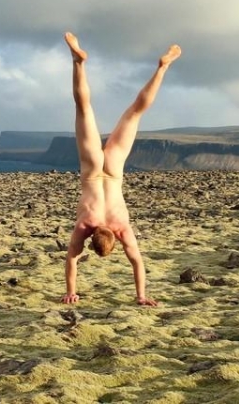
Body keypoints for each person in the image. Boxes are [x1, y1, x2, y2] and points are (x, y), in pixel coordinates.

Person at [61, 31, 181, 307]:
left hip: (113, 170)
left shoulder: (121, 227)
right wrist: (71, 290)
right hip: (92, 169)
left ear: (113, 237)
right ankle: (77, 63)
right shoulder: (84, 225)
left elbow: (137, 262)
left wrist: (141, 295)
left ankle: (163, 67)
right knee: (83, 108)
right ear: (94, 237)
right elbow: (72, 259)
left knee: (136, 112)